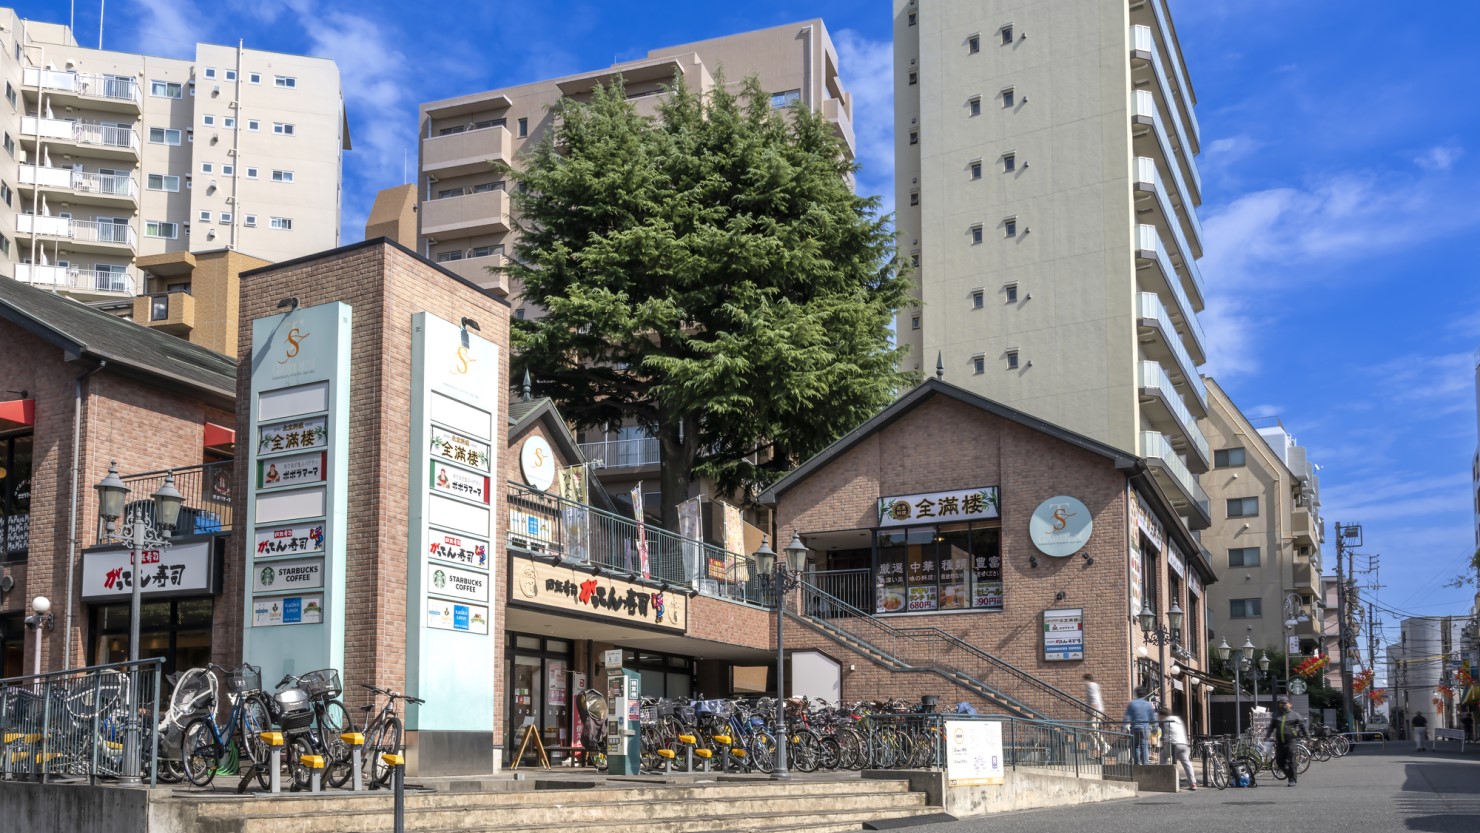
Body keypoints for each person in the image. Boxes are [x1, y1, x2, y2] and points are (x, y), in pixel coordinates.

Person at [1264, 698, 1309, 786]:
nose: (1283, 705)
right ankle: (1289, 775)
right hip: (1280, 743)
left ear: (1290, 704)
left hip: (1291, 741)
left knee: (1291, 761)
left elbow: (1303, 727)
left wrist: (1308, 737)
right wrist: (1267, 736)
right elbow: (1271, 727)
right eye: (1281, 703)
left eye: (1285, 703)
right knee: (1279, 762)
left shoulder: (1295, 715)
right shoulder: (1276, 715)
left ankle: (1292, 780)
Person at [1159, 706, 1196, 791]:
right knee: (1186, 763)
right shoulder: (1178, 719)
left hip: (1174, 744)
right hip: (1183, 743)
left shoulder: (1167, 721)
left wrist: (1164, 743)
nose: (1159, 718)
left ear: (1162, 715)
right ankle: (1193, 783)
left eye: (1159, 716)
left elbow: (1168, 735)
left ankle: (1164, 779)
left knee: (1162, 755)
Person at [1123, 691, 1157, 766]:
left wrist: (1124, 727)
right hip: (1145, 727)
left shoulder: (1132, 703)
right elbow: (1152, 717)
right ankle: (1145, 764)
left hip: (1134, 727)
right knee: (1144, 746)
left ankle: (1137, 763)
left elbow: (1127, 716)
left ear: (1137, 694)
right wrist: (1155, 727)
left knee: (1135, 746)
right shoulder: (1148, 704)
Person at [1083, 673, 1109, 756]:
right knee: (1088, 729)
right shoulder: (1093, 686)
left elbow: (1094, 699)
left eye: (1084, 680)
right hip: (1094, 710)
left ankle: (1104, 745)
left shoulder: (1091, 686)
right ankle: (1095, 746)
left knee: (1093, 727)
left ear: (1087, 680)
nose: (1083, 683)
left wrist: (1092, 709)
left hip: (1095, 710)